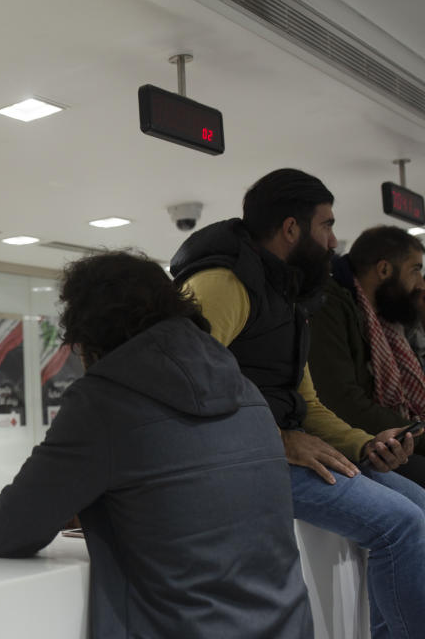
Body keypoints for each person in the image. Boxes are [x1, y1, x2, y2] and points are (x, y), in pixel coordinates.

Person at [0, 250, 313, 638]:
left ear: (87, 330)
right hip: (290, 625)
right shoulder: (247, 390)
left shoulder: (102, 402)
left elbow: (6, 531)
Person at [171, 168, 425, 639]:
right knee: (401, 525)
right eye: (326, 225)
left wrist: (367, 444)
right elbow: (178, 392)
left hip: (283, 450)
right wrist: (278, 439)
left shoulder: (286, 294)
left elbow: (306, 403)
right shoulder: (222, 285)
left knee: (419, 508)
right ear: (292, 228)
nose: (333, 241)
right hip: (246, 462)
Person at [308, 225, 425, 485]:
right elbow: (345, 404)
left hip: (384, 440)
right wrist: (419, 437)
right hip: (351, 446)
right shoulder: (328, 306)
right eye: (415, 270)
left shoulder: (386, 319)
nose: (420, 284)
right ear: (384, 270)